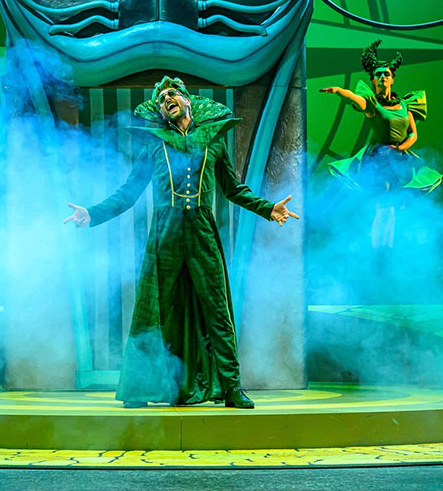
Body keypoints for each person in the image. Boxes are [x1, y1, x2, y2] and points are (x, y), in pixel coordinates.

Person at [64, 76, 298, 409]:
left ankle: (232, 388)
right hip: (165, 231)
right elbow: (129, 192)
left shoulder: (213, 141)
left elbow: (233, 189)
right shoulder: (154, 145)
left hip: (202, 230)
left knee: (217, 309)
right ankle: (140, 389)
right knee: (152, 309)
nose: (166, 100)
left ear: (188, 101)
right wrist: (92, 214)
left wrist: (268, 208)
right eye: (161, 99)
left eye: (171, 94)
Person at [318, 40, 441, 250]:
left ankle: (386, 249)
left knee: (393, 206)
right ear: (373, 80)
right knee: (383, 205)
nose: (382, 76)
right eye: (378, 74)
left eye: (386, 74)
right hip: (379, 158)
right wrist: (339, 90)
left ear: (392, 79)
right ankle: (377, 249)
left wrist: (400, 148)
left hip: (400, 157)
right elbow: (355, 98)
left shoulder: (405, 105)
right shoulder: (372, 105)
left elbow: (413, 134)